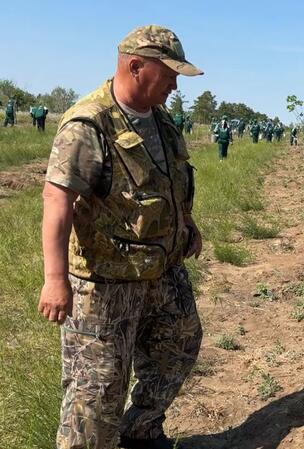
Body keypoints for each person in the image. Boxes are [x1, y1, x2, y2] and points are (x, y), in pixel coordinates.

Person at [38, 25, 204, 449]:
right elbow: (57, 201)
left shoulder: (162, 122)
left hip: (163, 272)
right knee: (96, 395)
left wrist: (186, 226)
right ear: (135, 65)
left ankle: (141, 432)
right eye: (168, 74)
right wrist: (55, 280)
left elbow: (169, 184)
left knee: (179, 345)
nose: (173, 84)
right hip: (105, 285)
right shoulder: (88, 124)